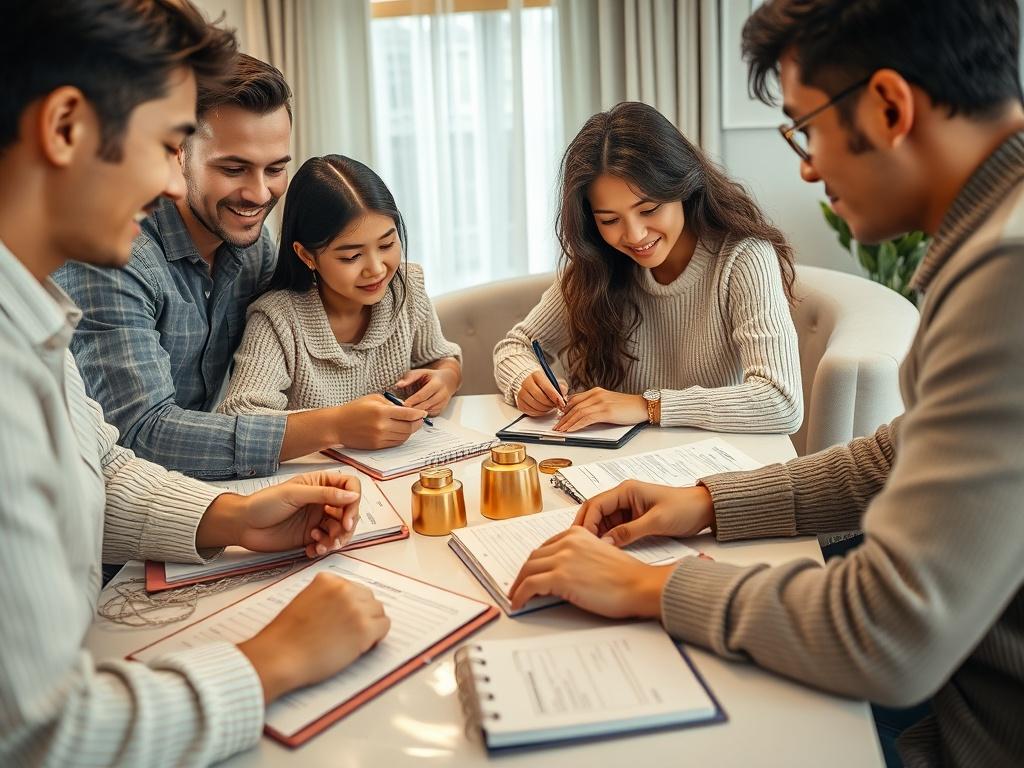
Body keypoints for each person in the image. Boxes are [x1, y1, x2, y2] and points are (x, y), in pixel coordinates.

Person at [510, 1, 1024, 765]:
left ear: (889, 106)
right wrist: (707, 502)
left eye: (804, 129)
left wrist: (649, 588)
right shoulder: (993, 240)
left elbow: (885, 631)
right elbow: (898, 456)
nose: (808, 167)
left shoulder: (1004, 275)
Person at [0, 3, 390, 764]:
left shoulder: (31, 309)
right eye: (170, 144)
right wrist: (273, 660)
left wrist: (234, 516)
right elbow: (43, 738)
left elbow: (103, 465)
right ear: (67, 127)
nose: (174, 182)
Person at [55, 52, 360, 480]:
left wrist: (438, 369)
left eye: (275, 169)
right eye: (234, 168)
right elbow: (141, 435)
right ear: (177, 152)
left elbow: (296, 349)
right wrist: (333, 427)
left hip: (216, 493)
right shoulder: (113, 254)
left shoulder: (253, 244)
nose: (258, 194)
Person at [493, 102, 802, 434]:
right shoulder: (598, 264)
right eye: (609, 220)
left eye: (650, 209)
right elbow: (516, 346)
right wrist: (525, 379)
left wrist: (648, 405)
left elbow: (781, 401)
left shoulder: (743, 258)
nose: (635, 235)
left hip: (710, 467)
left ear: (683, 188)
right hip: (619, 462)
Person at [218, 154, 462, 445]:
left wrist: (446, 378)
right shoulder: (278, 320)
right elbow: (239, 417)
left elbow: (440, 358)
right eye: (351, 256)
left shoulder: (406, 287)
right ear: (307, 256)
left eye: (387, 243)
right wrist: (337, 425)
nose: (377, 268)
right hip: (321, 480)